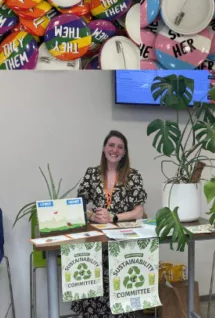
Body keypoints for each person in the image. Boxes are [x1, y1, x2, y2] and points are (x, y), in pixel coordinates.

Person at [72, 131, 147, 318]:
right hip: (96, 242)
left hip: (122, 244)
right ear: (104, 148)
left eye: (120, 147)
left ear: (124, 152)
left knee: (120, 292)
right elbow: (79, 206)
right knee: (93, 289)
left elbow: (138, 212)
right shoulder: (91, 174)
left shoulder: (133, 176)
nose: (115, 150)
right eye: (111, 145)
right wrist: (92, 217)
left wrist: (112, 217)